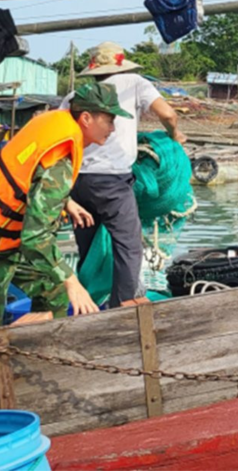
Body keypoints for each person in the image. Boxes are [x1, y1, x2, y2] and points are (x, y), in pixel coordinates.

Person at [0, 83, 131, 330]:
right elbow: (36, 237)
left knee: (55, 292)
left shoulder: (53, 122)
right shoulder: (60, 160)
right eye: (109, 120)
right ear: (86, 118)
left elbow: (28, 177)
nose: (113, 129)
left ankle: (34, 344)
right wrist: (72, 280)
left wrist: (67, 202)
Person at [64, 42, 187, 306]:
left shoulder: (77, 94)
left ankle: (89, 302)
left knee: (89, 246)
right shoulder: (134, 81)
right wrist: (174, 135)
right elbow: (168, 115)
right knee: (128, 246)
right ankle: (124, 307)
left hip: (76, 182)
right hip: (112, 181)